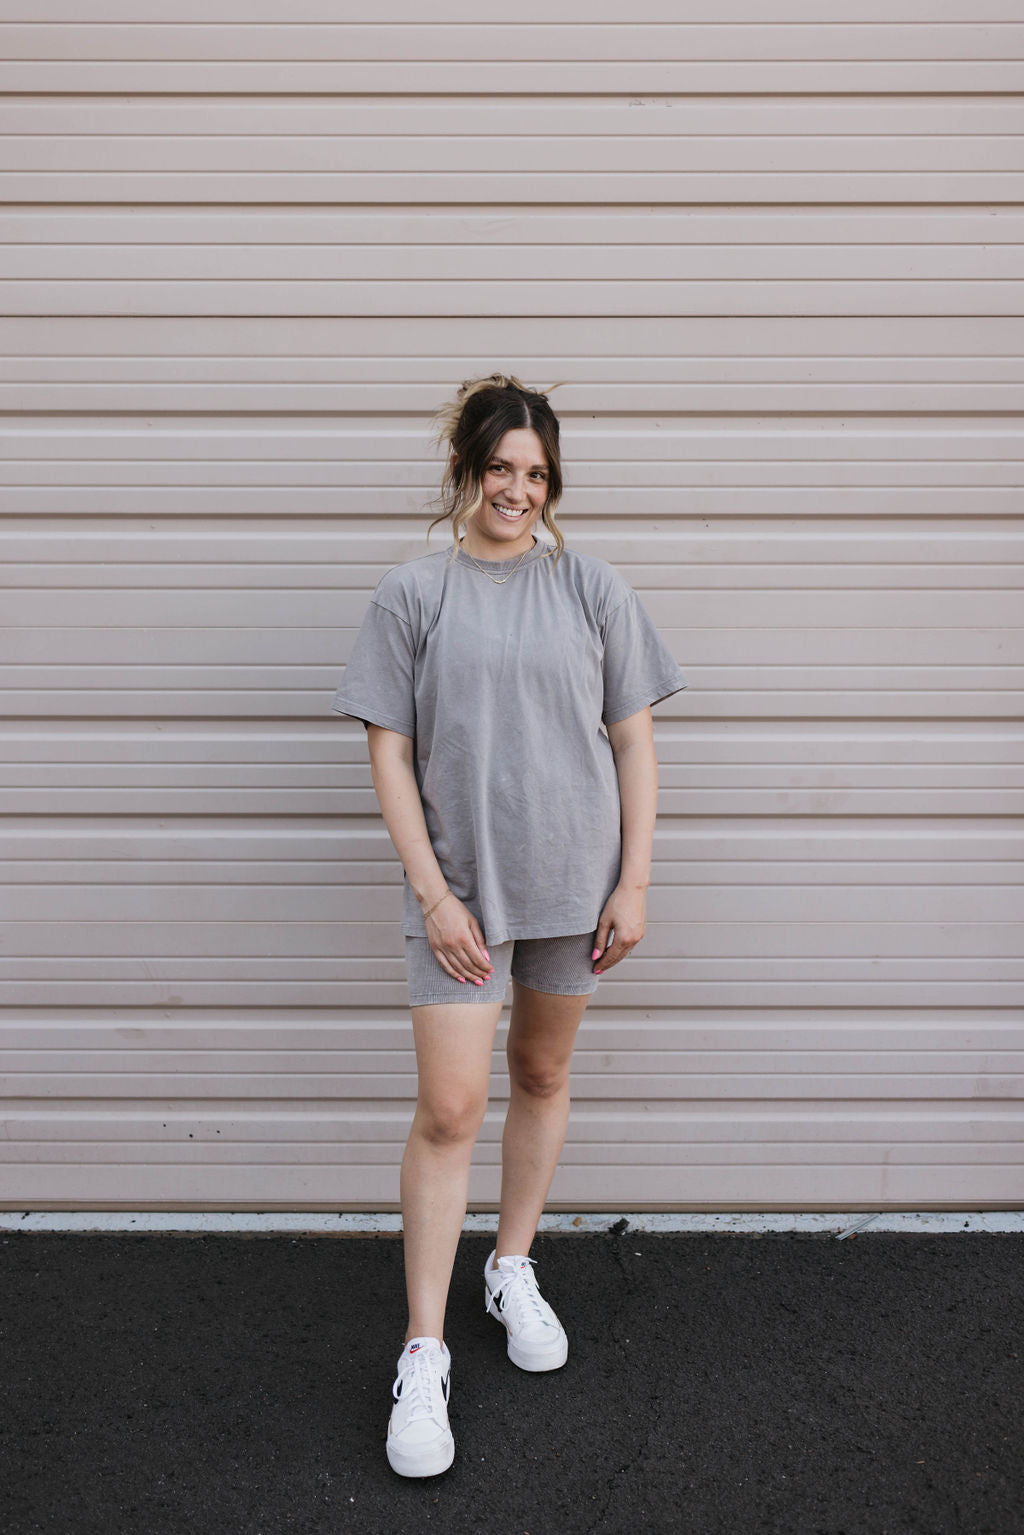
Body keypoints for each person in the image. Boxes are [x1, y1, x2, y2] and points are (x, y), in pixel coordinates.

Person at [330, 373, 687, 1478]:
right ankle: (424, 1350)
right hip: (462, 894)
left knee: (538, 1076)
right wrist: (435, 893)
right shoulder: (411, 594)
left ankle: (513, 1264)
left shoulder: (592, 588)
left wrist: (633, 881)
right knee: (448, 1107)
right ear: (465, 470)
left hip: (571, 888)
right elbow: (387, 748)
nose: (517, 489)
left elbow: (631, 742)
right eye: (500, 469)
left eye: (536, 474)